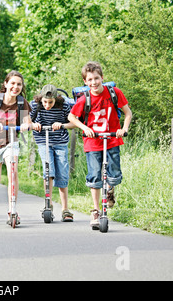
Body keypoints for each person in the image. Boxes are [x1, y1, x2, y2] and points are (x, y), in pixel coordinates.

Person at [68, 61, 132, 228]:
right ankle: (96, 210)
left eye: (96, 78)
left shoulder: (114, 93)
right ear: (85, 81)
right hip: (93, 141)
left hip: (112, 138)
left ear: (102, 78)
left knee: (115, 174)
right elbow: (71, 117)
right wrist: (85, 128)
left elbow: (127, 113)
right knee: (95, 176)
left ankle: (110, 190)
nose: (94, 82)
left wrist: (123, 129)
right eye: (90, 80)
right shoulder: (84, 99)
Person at [0, 70, 33, 225]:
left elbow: (27, 122)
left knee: (13, 172)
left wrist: (25, 126)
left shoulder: (22, 102)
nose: (15, 87)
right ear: (6, 84)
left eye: (19, 84)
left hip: (11, 142)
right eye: (13, 83)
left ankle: (13, 210)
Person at [31, 84, 75, 222]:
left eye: (50, 102)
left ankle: (65, 209)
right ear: (41, 99)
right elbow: (26, 121)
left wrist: (62, 125)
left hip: (60, 141)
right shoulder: (35, 105)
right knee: (48, 170)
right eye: (45, 102)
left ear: (56, 99)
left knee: (62, 172)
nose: (47, 105)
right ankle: (48, 204)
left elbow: (74, 123)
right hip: (43, 140)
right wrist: (34, 125)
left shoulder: (64, 106)